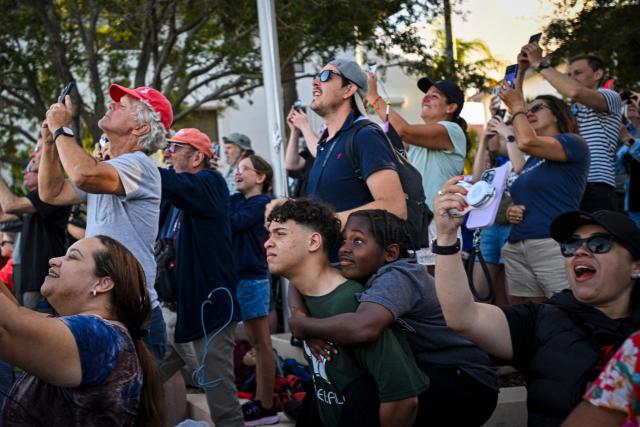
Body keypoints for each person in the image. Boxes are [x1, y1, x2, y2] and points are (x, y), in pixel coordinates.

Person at [432, 186, 640, 427]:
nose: (579, 251)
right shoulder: (542, 319)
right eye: (570, 245)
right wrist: (446, 236)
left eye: (599, 244)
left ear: (636, 265)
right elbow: (463, 317)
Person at [288, 209, 499, 426]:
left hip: (466, 379)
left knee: (366, 392)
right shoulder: (364, 267)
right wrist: (298, 315)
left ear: (390, 253)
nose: (344, 249)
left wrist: (304, 326)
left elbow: (364, 328)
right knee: (331, 382)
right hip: (425, 365)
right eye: (344, 240)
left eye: (358, 241)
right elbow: (305, 275)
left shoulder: (400, 276)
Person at [265, 199, 427, 427]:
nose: (267, 244)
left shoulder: (353, 304)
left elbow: (403, 399)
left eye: (279, 234)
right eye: (269, 234)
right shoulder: (307, 292)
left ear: (313, 242)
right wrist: (298, 316)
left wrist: (302, 324)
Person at [39, 84, 171, 360]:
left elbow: (83, 175)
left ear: (141, 129)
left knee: (135, 402)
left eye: (122, 106)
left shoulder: (139, 166)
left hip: (130, 313)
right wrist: (51, 142)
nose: (111, 105)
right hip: (107, 307)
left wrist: (62, 129)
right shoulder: (111, 169)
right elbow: (51, 192)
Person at [0, 235, 164, 426]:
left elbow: (8, 329)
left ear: (102, 283)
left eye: (73, 257)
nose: (54, 260)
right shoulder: (99, 334)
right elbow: (14, 313)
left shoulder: (100, 338)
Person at [157, 128, 243, 427]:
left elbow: (163, 180)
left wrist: (132, 161)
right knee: (143, 380)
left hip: (210, 313)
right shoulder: (178, 197)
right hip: (179, 311)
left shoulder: (210, 183)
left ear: (197, 157)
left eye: (175, 147)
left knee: (222, 403)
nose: (168, 152)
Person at [498, 81, 590, 303]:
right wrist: (512, 210)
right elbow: (523, 190)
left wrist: (517, 107)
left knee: (565, 308)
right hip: (517, 244)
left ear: (557, 115)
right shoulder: (532, 161)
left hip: (551, 242)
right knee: (526, 316)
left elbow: (526, 141)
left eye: (537, 108)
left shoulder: (572, 142)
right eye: (527, 110)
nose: (529, 113)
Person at [366, 73, 466, 268]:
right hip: (418, 223)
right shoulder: (419, 139)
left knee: (439, 293)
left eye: (435, 96)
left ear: (451, 108)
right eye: (426, 94)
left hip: (438, 222)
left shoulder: (451, 130)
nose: (426, 98)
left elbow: (402, 130)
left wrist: (373, 96)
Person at [303, 58, 406, 226]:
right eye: (316, 76)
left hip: (352, 252)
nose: (315, 82)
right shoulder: (326, 143)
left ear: (348, 89)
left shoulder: (365, 136)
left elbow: (395, 207)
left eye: (326, 76)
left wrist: (327, 223)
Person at [519, 45, 622, 212]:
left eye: (578, 73)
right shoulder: (567, 110)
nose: (572, 78)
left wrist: (539, 64)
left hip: (596, 186)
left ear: (598, 75)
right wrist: (521, 72)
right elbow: (520, 109)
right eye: (569, 74)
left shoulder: (610, 96)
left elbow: (575, 91)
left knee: (596, 238)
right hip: (567, 186)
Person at [230, 154, 278, 426]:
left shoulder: (261, 204)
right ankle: (258, 399)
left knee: (261, 344)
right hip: (236, 278)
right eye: (236, 169)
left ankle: (267, 404)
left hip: (253, 279)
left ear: (261, 177)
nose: (237, 173)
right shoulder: (238, 201)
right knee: (254, 344)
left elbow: (233, 222)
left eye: (244, 169)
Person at [0, 137, 70, 308]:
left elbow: (10, 205)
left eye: (39, 148)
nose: (33, 154)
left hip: (42, 280)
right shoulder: (37, 197)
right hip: (32, 279)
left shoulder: (54, 190)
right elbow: (4, 215)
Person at [470, 113, 524, 304]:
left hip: (513, 228)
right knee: (480, 293)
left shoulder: (526, 161)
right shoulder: (504, 166)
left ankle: (510, 330)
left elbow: (520, 168)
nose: (499, 139)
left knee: (511, 297)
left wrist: (507, 133)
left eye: (502, 135)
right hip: (490, 228)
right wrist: (483, 141)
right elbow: (477, 181)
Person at [284, 106, 318, 198]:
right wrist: (295, 131)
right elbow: (291, 164)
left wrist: (304, 126)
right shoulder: (312, 150)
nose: (320, 132)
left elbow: (322, 154)